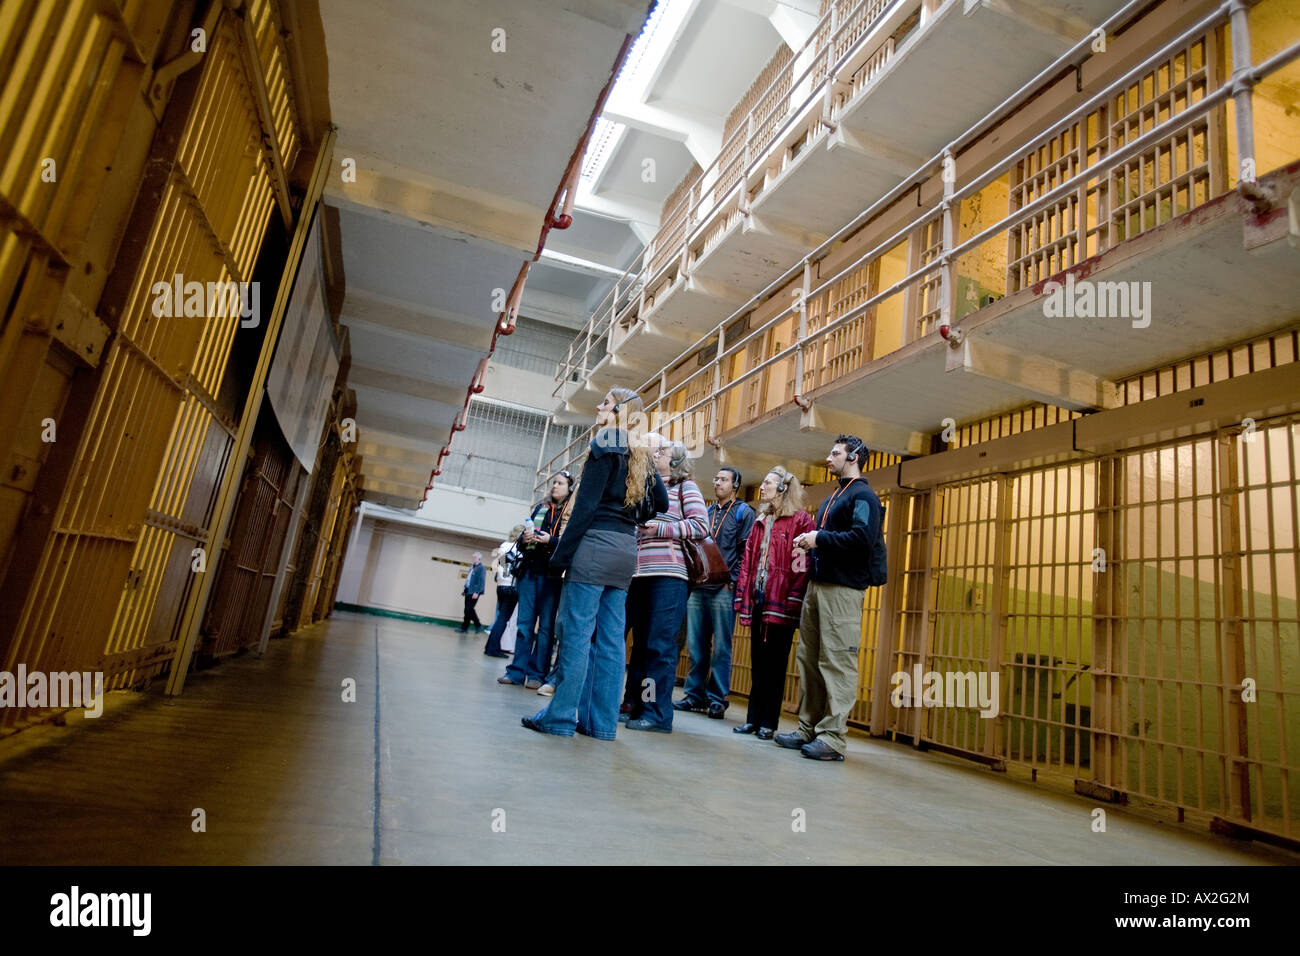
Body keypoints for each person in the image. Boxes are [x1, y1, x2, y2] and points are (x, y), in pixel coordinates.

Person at [521, 389, 667, 739]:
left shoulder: (605, 443)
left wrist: (560, 557)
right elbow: (660, 500)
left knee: (576, 635)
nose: (598, 407)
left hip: (595, 547)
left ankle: (558, 718)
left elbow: (584, 509)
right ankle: (600, 724)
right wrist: (633, 512)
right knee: (613, 643)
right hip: (624, 550)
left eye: (605, 403)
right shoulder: (639, 451)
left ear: (618, 412)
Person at [776, 435, 884, 761]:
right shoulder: (834, 497)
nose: (828, 458)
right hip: (818, 585)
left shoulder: (863, 495)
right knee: (809, 659)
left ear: (853, 458)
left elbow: (863, 538)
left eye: (835, 453)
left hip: (842, 590)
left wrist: (818, 538)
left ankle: (833, 738)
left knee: (837, 662)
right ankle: (809, 727)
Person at [622, 437, 708, 733]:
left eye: (662, 451)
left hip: (669, 575)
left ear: (676, 461)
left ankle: (658, 713)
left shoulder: (686, 487)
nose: (655, 453)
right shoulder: (644, 487)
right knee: (642, 647)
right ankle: (635, 704)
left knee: (660, 646)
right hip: (638, 574)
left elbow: (700, 526)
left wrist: (661, 527)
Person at [732, 467, 813, 740]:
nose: (762, 486)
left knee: (776, 664)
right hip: (759, 598)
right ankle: (753, 719)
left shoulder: (801, 521)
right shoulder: (761, 520)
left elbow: (801, 564)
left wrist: (793, 598)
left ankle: (769, 722)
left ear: (782, 488)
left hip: (781, 601)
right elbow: (748, 561)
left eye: (767, 482)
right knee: (757, 662)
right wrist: (744, 595)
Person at [675, 465, 755, 718]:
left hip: (724, 588)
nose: (717, 482)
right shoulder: (707, 512)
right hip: (700, 586)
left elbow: (747, 554)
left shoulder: (744, 512)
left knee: (722, 646)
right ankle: (693, 694)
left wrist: (734, 583)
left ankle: (717, 698)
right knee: (696, 646)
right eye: (716, 477)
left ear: (735, 485)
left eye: (723, 479)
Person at [499, 472, 573, 688]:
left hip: (553, 576)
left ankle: (537, 674)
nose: (554, 487)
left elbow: (568, 542)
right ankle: (516, 672)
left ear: (570, 488)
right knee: (524, 625)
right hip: (530, 572)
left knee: (546, 628)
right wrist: (525, 538)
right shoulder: (540, 509)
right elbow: (521, 543)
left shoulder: (570, 514)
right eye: (554, 483)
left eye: (560, 483)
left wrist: (550, 540)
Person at [483, 529, 523, 658]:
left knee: (500, 617)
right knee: (503, 619)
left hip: (501, 585)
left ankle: (490, 646)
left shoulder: (502, 547)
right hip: (511, 586)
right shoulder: (519, 548)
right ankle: (493, 648)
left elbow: (502, 566)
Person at [458, 552, 485, 633]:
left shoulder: (481, 568)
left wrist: (477, 592)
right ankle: (464, 628)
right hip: (468, 590)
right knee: (467, 610)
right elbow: (469, 579)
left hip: (474, 592)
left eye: (475, 557)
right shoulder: (472, 567)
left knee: (469, 609)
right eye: (473, 557)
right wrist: (465, 589)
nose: (474, 559)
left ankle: (478, 625)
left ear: (479, 558)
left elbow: (481, 581)